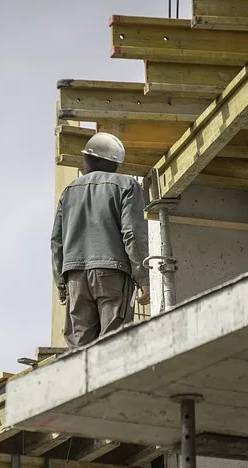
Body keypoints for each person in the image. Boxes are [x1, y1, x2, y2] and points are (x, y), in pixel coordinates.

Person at [51, 131, 150, 348]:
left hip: (75, 278)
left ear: (89, 160)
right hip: (112, 275)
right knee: (112, 347)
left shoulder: (69, 191)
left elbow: (56, 241)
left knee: (79, 351)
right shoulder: (126, 186)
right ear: (114, 164)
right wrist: (143, 279)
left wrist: (61, 283)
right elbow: (132, 234)